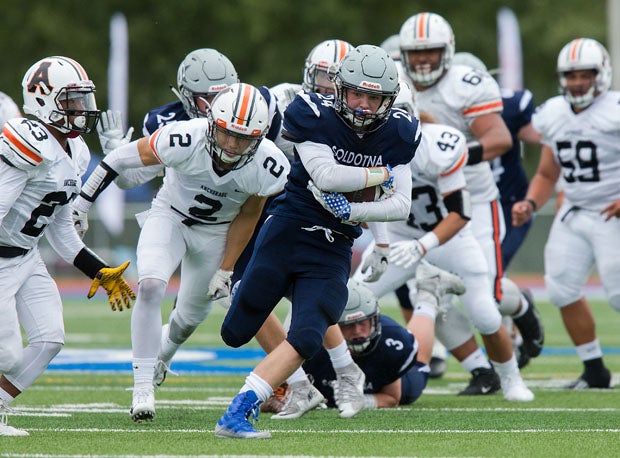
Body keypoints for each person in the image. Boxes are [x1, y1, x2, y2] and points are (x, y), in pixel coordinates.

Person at [214, 44, 421, 439]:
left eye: (373, 97)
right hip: (288, 229)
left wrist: (354, 214)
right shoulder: (313, 112)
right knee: (235, 330)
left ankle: (239, 411)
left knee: (307, 335)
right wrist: (379, 175)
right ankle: (336, 373)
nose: (362, 105)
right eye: (356, 93)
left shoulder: (399, 132)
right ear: (340, 88)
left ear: (389, 101)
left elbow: (401, 205)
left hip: (333, 245)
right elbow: (325, 177)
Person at [72, 82, 290, 422]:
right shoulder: (183, 137)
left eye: (244, 138)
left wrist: (227, 268)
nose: (233, 146)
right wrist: (83, 203)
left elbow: (249, 214)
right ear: (212, 122)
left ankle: (164, 355)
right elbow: (117, 159)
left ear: (260, 137)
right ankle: (142, 386)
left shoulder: (268, 165)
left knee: (187, 320)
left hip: (217, 232)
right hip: (169, 216)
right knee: (152, 286)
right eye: (227, 134)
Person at [397, 11, 542, 382]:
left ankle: (521, 307)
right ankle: (481, 371)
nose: (423, 59)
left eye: (430, 50)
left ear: (447, 51)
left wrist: (451, 152)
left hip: (472, 200)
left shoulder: (465, 84)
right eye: (415, 52)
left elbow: (499, 139)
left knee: (486, 299)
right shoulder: (393, 81)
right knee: (427, 296)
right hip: (421, 206)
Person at [0, 56, 135, 436]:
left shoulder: (74, 151)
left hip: (24, 256)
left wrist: (99, 270)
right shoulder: (29, 140)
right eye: (71, 101)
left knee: (48, 338)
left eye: (82, 100)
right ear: (43, 100)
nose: (81, 110)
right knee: (8, 355)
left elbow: (60, 228)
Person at [513, 37, 620, 389]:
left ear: (601, 74)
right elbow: (547, 172)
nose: (577, 83)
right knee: (560, 288)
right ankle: (594, 370)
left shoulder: (615, 108)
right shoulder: (554, 113)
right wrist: (530, 202)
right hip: (573, 210)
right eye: (571, 75)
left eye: (584, 75)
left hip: (612, 211)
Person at [305, 268, 464, 409]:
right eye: (348, 325)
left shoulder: (391, 340)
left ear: (374, 319)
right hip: (330, 378)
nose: (357, 331)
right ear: (333, 325)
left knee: (418, 371)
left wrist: (362, 402)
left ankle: (428, 294)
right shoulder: (312, 344)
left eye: (363, 323)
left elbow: (391, 399)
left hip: (386, 384)